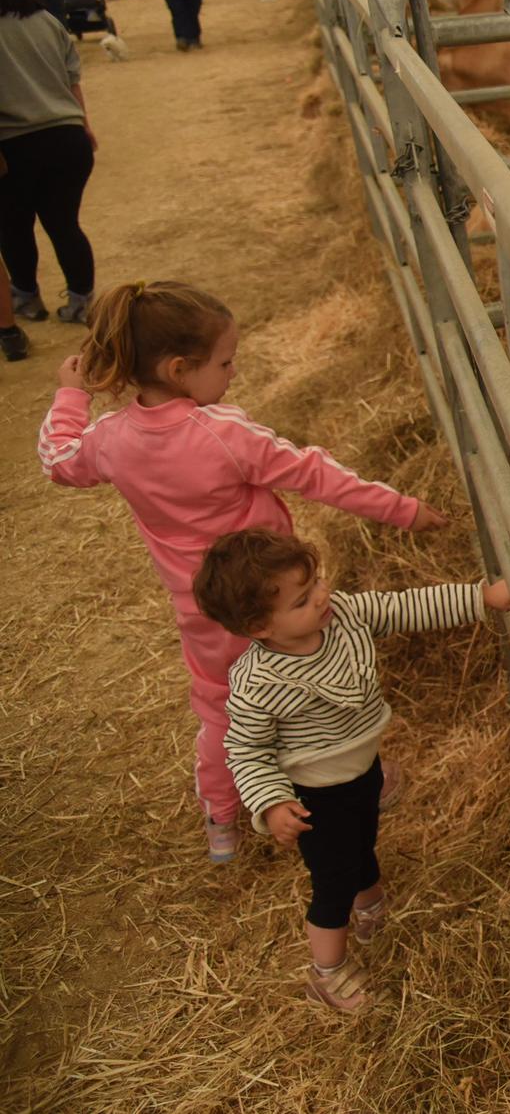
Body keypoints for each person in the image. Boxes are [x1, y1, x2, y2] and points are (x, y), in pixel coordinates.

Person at [38, 281, 448, 863]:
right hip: (280, 597)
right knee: (319, 676)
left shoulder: (111, 440)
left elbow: (58, 462)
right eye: (225, 362)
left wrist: (69, 396)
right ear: (180, 369)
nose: (232, 373)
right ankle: (362, 780)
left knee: (221, 707)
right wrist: (403, 509)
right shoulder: (223, 433)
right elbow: (316, 474)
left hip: (204, 611)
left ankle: (223, 819)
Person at [196, 528, 510, 1011]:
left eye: (317, 581)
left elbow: (405, 607)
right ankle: (327, 971)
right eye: (303, 599)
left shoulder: (341, 616)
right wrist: (273, 802)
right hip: (314, 796)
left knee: (363, 838)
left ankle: (370, 905)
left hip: (363, 771)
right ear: (261, 627)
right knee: (332, 881)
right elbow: (245, 749)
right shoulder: (261, 682)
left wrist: (480, 598)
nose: (322, 596)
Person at [0, 0, 96, 324]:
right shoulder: (44, 20)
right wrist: (84, 125)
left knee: (14, 226)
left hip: (15, 144)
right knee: (64, 223)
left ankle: (25, 296)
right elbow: (73, 79)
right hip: (68, 137)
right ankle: (81, 302)